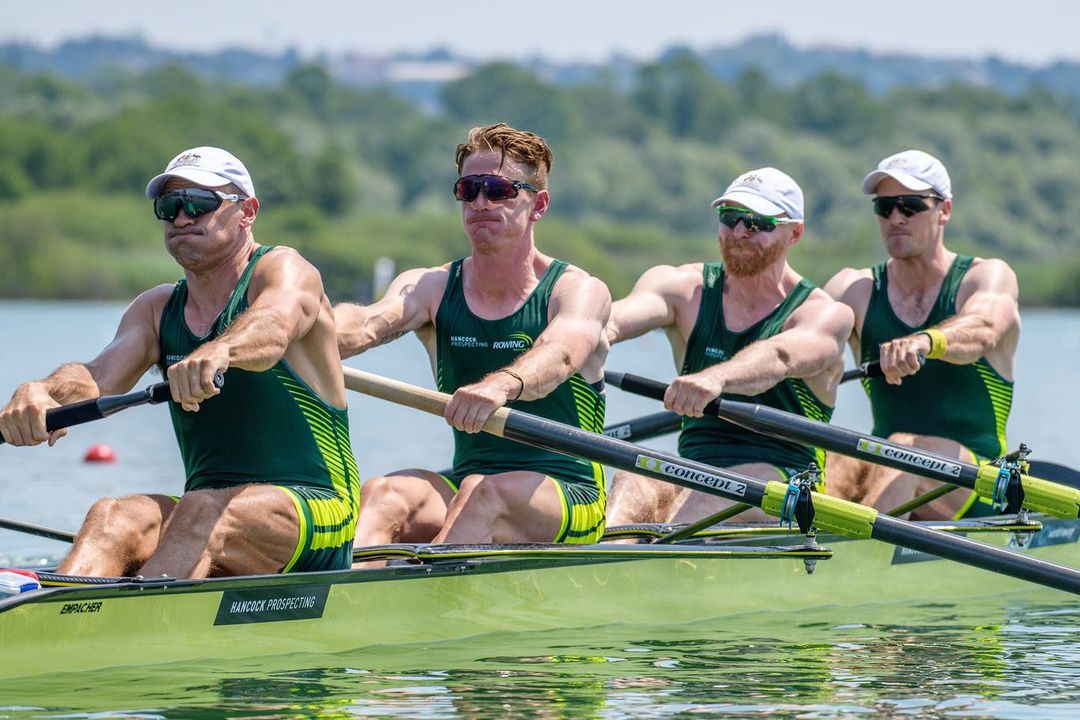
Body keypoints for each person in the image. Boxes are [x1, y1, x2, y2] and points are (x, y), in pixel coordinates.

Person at [0, 146, 359, 579]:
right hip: (210, 514)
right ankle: (55, 623)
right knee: (113, 516)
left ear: (247, 211)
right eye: (170, 207)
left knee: (203, 509)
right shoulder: (156, 308)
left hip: (319, 511)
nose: (183, 218)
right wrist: (41, 392)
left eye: (200, 203)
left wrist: (219, 350)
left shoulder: (285, 271)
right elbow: (96, 377)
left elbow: (273, 327)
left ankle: (133, 631)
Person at [335, 123, 611, 554]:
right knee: (383, 493)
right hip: (467, 485)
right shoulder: (432, 286)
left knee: (485, 492)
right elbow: (364, 324)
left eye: (499, 189)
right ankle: (341, 598)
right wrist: (296, 333)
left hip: (569, 492)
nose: (481, 202)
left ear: (537, 205)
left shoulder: (576, 290)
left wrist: (500, 385)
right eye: (469, 190)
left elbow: (559, 355)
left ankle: (417, 595)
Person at [605, 168, 854, 526]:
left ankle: (658, 560)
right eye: (730, 218)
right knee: (633, 482)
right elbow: (610, 321)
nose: (739, 232)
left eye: (757, 223)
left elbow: (780, 357)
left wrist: (716, 379)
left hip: (787, 484)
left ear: (794, 233)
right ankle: (604, 567)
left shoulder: (825, 314)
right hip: (696, 473)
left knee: (705, 501)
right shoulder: (683, 289)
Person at [824, 150, 1020, 519]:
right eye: (884, 208)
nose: (895, 218)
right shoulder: (855, 288)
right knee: (830, 457)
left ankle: (858, 561)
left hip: (981, 485)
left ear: (944, 210)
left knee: (902, 449)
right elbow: (798, 332)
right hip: (888, 471)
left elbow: (985, 327)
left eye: (910, 206)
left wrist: (926, 341)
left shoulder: (985, 277)